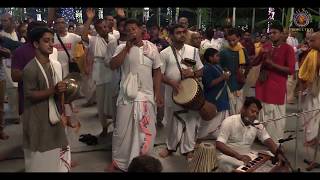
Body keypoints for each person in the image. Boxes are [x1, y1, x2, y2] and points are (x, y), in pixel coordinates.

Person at [108, 19, 163, 172]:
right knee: (121, 130)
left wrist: (158, 93)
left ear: (141, 30)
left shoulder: (151, 47)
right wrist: (126, 48)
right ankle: (118, 162)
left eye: (134, 29)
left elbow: (157, 71)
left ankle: (143, 163)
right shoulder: (121, 47)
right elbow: (113, 65)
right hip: (127, 96)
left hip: (147, 96)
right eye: (128, 30)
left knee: (146, 129)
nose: (131, 32)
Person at [22, 27, 70, 172]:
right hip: (37, 118)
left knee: (53, 157)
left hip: (53, 117)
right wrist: (53, 90)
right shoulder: (30, 69)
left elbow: (57, 92)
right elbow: (29, 94)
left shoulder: (53, 65)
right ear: (36, 44)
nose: (51, 44)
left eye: (52, 41)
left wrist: (63, 113)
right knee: (39, 159)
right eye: (46, 41)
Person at [159, 24, 203, 160]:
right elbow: (159, 75)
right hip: (172, 93)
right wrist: (172, 83)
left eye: (184, 32)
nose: (182, 35)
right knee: (172, 121)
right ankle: (170, 147)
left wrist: (193, 73)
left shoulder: (193, 51)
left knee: (191, 121)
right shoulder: (164, 53)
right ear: (171, 36)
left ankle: (188, 149)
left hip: (191, 93)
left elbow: (201, 70)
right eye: (178, 33)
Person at [216, 97, 285, 172]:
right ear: (243, 109)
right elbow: (219, 144)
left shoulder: (257, 124)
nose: (255, 115)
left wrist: (278, 154)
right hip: (228, 156)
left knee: (271, 159)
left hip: (247, 155)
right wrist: (239, 156)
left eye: (257, 113)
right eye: (252, 111)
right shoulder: (229, 121)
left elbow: (267, 140)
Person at [254, 23, 295, 142]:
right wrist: (261, 53)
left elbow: (290, 70)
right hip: (263, 85)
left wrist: (272, 65)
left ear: (282, 34)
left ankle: (274, 140)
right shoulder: (266, 46)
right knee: (261, 111)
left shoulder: (288, 49)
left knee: (275, 115)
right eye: (270, 33)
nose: (272, 35)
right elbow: (256, 62)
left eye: (275, 32)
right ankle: (261, 138)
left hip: (277, 87)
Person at [82, 8, 116, 137]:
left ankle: (116, 125)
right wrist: (89, 19)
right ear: (96, 29)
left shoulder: (114, 38)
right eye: (101, 28)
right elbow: (84, 36)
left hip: (113, 71)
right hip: (100, 72)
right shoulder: (94, 40)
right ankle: (104, 127)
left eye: (105, 27)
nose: (104, 29)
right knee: (101, 103)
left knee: (113, 101)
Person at [197, 48, 230, 141]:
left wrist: (225, 77)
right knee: (209, 118)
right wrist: (222, 77)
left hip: (222, 97)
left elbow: (221, 78)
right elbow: (208, 84)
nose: (219, 57)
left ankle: (216, 136)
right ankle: (201, 136)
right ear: (210, 58)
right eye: (217, 56)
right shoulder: (207, 68)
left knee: (222, 118)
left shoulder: (218, 66)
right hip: (212, 98)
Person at [219, 28, 249, 115]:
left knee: (239, 107)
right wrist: (224, 70)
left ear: (239, 38)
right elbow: (219, 66)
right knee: (230, 106)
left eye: (234, 40)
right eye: (229, 41)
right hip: (228, 82)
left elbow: (248, 64)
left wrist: (244, 74)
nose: (231, 43)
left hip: (240, 82)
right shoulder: (223, 52)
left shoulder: (243, 50)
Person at [298, 32, 320, 147]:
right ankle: (311, 138)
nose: (309, 43)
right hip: (313, 89)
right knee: (310, 113)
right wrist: (302, 88)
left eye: (312, 41)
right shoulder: (311, 54)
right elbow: (302, 72)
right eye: (309, 40)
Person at [0, 12, 20, 123]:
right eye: (1, 21)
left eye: (5, 20)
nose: (3, 23)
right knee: (11, 90)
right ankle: (14, 115)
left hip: (19, 65)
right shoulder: (1, 35)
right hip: (5, 67)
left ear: (11, 21)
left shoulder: (19, 33)